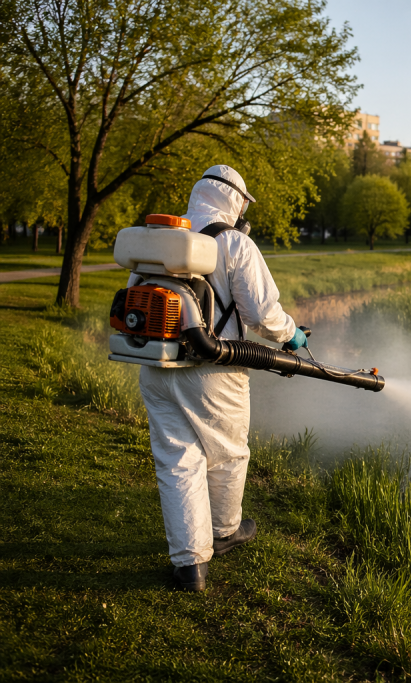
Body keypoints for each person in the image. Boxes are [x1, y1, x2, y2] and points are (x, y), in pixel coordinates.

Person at [134, 165, 309, 592]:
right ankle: (225, 531)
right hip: (215, 373)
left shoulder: (161, 239)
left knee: (178, 461)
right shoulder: (233, 243)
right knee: (228, 454)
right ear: (234, 201)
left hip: (157, 367)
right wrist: (292, 334)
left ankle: (190, 565)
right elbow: (263, 314)